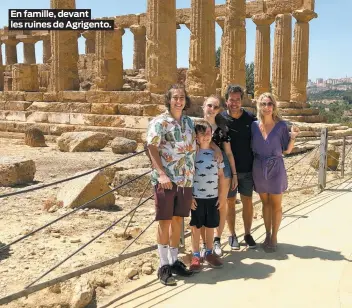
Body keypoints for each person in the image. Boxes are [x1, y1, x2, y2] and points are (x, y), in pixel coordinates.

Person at [146, 84, 196, 286]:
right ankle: (163, 265)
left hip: (185, 179)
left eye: (182, 97)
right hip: (166, 180)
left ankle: (175, 261)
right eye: (175, 97)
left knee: (177, 221)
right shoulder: (159, 122)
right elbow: (151, 146)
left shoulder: (189, 122)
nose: (179, 101)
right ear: (168, 100)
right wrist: (161, 174)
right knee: (164, 222)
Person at [251, 93, 300, 251]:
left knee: (276, 205)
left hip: (276, 168)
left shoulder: (281, 126)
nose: (267, 107)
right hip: (258, 167)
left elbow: (287, 150)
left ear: (274, 106)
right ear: (259, 106)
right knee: (265, 204)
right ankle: (267, 233)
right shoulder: (253, 126)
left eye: (270, 104)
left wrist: (293, 138)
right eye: (264, 104)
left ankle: (274, 236)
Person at [200, 95, 238, 257]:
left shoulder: (223, 128)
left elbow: (228, 153)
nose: (212, 110)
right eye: (210, 106)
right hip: (201, 170)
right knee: (203, 205)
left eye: (216, 107)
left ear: (220, 110)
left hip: (223, 170)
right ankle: (204, 243)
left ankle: (216, 239)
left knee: (221, 204)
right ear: (203, 106)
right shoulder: (195, 126)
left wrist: (234, 174)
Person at [221, 85, 257, 250]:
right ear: (226, 100)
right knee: (229, 202)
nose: (234, 103)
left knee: (247, 201)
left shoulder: (250, 118)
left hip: (247, 168)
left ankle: (248, 233)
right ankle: (232, 234)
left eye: (237, 99)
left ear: (241, 100)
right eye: (231, 99)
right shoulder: (220, 119)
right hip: (228, 171)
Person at [190, 120, 224, 272]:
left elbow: (222, 176)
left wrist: (222, 196)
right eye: (202, 134)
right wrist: (189, 197)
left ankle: (209, 252)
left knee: (210, 225)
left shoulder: (216, 154)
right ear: (196, 137)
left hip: (212, 196)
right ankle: (196, 254)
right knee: (196, 226)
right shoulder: (192, 155)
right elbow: (188, 176)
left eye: (208, 133)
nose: (205, 136)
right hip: (197, 197)